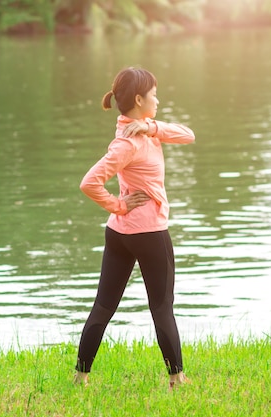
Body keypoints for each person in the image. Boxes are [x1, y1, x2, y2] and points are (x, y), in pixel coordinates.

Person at [73, 67, 195, 390]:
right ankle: (177, 378)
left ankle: (81, 376)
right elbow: (89, 183)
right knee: (161, 307)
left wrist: (151, 125)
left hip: (119, 234)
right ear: (139, 99)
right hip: (149, 233)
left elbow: (187, 134)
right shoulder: (128, 144)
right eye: (154, 95)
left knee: (103, 305)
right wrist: (120, 204)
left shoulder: (137, 132)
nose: (158, 99)